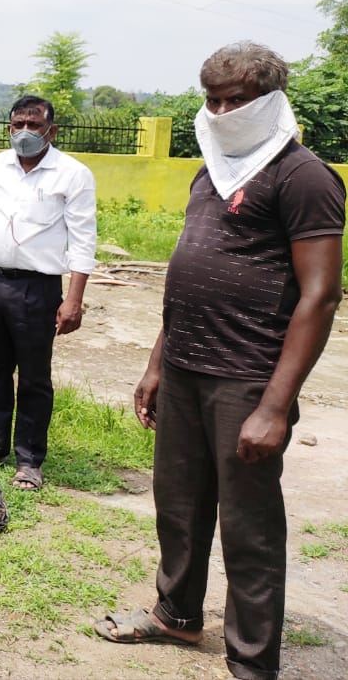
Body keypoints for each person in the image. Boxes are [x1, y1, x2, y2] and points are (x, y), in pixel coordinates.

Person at [95, 42, 344, 680]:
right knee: (177, 503)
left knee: (248, 525)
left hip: (248, 376)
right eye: (213, 99)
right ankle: (177, 614)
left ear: (271, 101)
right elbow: (188, 275)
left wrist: (274, 406)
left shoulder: (303, 176)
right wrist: (157, 363)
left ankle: (253, 662)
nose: (224, 111)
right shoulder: (211, 169)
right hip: (184, 367)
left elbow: (319, 295)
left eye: (238, 100)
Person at [0, 95, 97, 491]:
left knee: (33, 377)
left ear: (51, 130)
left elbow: (82, 240)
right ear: (8, 127)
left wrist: (73, 299)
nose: (24, 133)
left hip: (37, 289)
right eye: (17, 125)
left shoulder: (72, 175)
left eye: (34, 125)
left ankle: (29, 459)